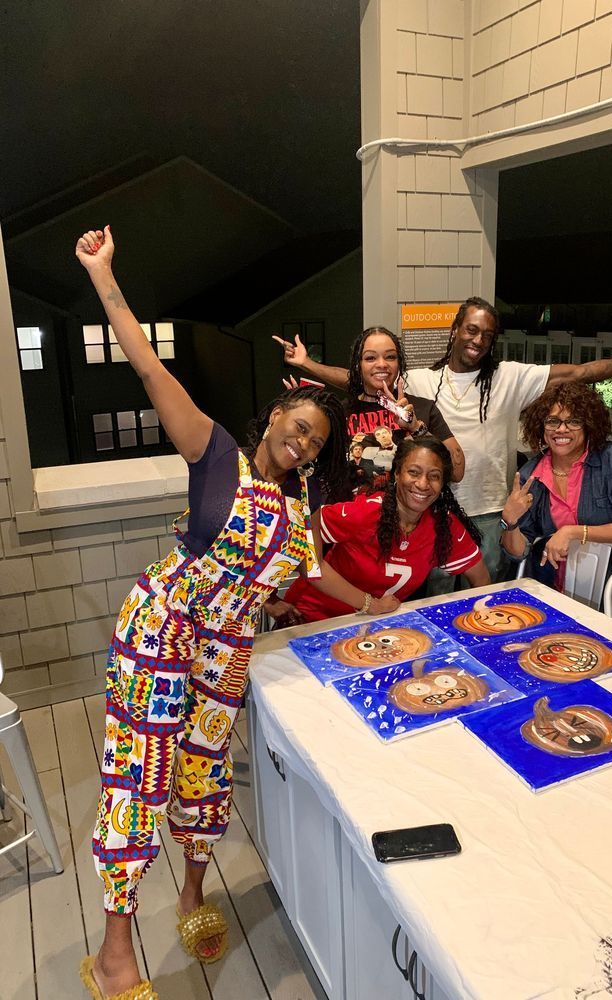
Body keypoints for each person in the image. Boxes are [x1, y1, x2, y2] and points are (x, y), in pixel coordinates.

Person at [74, 227, 397, 1000]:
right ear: (276, 413)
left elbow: (307, 575)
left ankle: (191, 893)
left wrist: (372, 604)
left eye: (316, 440)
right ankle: (114, 955)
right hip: (162, 634)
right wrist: (103, 275)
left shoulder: (296, 505)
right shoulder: (216, 454)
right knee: (139, 777)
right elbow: (149, 367)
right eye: (299, 425)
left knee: (203, 771)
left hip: (227, 651)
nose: (304, 441)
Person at [274, 298, 612, 589]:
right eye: (471, 329)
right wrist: (308, 364)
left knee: (484, 593)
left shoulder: (510, 377)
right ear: (455, 330)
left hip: (491, 511)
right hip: (432, 511)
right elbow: (364, 378)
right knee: (433, 596)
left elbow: (578, 372)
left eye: (487, 334)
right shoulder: (421, 381)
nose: (478, 339)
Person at [281, 437, 490, 623]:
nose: (423, 484)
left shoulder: (443, 525)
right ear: (397, 473)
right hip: (311, 619)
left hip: (374, 629)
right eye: (414, 472)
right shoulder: (365, 512)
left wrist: (478, 625)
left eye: (434, 476)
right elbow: (286, 534)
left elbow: (481, 580)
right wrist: (269, 601)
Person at [500, 382, 612, 621]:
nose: (562, 429)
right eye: (553, 421)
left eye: (574, 421)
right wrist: (510, 521)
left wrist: (572, 532)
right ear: (541, 426)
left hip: (605, 595)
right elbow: (518, 552)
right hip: (548, 591)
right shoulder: (530, 475)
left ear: (589, 424)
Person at [274, 325, 465, 492]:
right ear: (358, 365)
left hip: (408, 518)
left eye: (390, 357)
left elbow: (457, 472)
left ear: (399, 363)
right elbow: (307, 465)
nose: (382, 364)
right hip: (351, 517)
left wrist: (415, 428)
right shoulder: (339, 414)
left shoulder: (422, 408)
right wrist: (297, 415)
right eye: (371, 358)